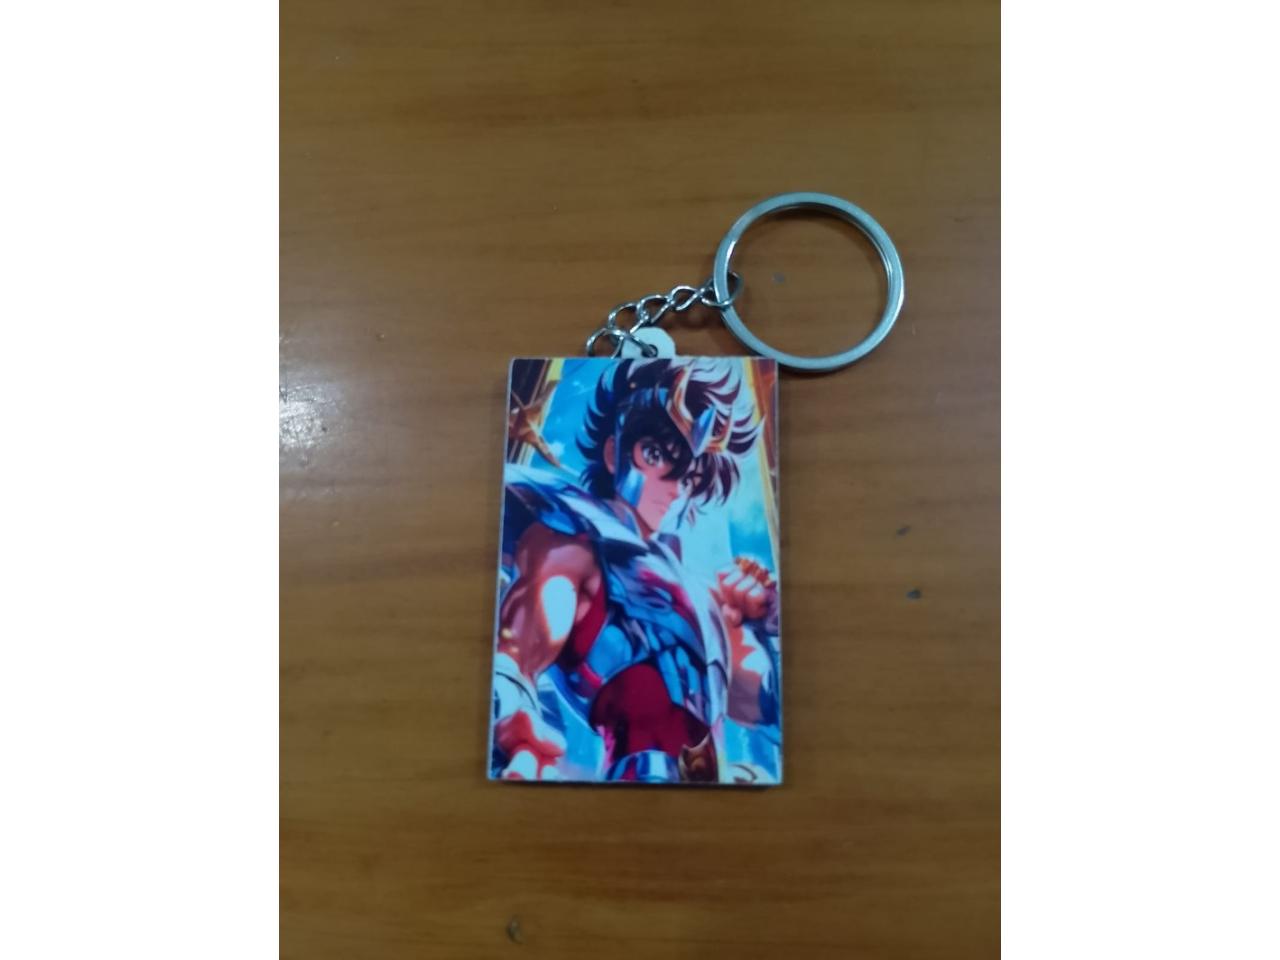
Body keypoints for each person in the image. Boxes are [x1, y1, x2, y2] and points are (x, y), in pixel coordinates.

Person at [491, 358, 780, 783]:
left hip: (718, 787)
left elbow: (764, 704)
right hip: (636, 779)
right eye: (656, 455)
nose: (674, 488)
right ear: (614, 453)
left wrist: (766, 626)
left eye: (689, 476)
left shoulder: (704, 595)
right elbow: (516, 655)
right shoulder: (575, 544)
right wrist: (515, 727)